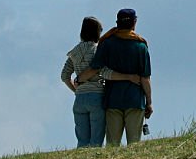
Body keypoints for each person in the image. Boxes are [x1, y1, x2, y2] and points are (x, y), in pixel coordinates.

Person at [61, 15, 143, 147]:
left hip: (79, 99)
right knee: (96, 141)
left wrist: (77, 90)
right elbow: (105, 72)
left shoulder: (74, 52)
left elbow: (64, 75)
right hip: (97, 96)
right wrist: (128, 77)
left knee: (82, 141)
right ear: (97, 32)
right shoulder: (97, 50)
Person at [77, 7, 152, 146]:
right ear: (134, 22)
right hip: (135, 100)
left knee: (112, 144)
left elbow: (95, 68)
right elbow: (145, 78)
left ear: (117, 23)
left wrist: (79, 79)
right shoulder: (141, 46)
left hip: (112, 100)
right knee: (134, 143)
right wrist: (149, 102)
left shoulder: (107, 43)